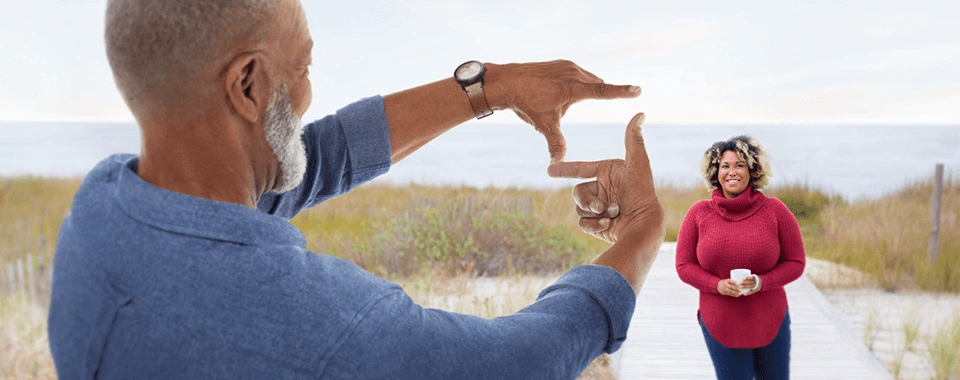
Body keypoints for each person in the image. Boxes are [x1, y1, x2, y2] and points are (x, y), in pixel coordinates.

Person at [47, 0, 666, 378]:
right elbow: (519, 363)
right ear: (248, 85)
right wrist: (640, 231)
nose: (311, 88)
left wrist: (492, 85)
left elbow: (313, 159)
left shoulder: (101, 207)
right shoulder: (323, 332)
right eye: (305, 66)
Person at [674, 135, 806, 379]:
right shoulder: (698, 213)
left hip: (770, 318)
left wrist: (761, 282)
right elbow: (684, 266)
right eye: (725, 166)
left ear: (752, 170)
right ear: (716, 171)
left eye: (739, 165)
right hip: (720, 321)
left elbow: (796, 263)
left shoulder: (775, 210)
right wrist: (716, 285)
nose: (731, 172)